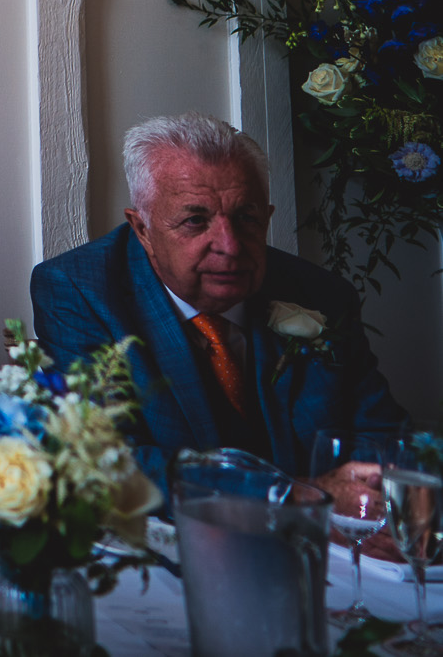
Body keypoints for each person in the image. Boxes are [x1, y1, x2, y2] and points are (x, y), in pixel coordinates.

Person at [32, 114, 411, 493]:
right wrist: (289, 497)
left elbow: (383, 434)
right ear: (142, 229)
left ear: (267, 217)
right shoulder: (79, 291)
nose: (230, 247)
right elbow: (105, 456)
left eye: (246, 217)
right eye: (195, 220)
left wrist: (393, 495)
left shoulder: (321, 293)